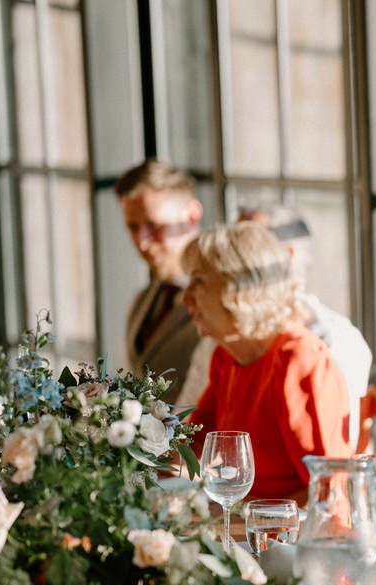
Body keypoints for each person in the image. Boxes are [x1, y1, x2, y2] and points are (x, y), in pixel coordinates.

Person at [184, 222, 352, 502]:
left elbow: (329, 492)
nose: (185, 297)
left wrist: (240, 525)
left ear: (240, 289)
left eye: (198, 282)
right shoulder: (226, 357)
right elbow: (192, 449)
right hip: (240, 528)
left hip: (286, 537)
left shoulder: (298, 361)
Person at [115, 159, 204, 404]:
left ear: (192, 215)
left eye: (154, 225)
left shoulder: (221, 300)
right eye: (133, 227)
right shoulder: (142, 300)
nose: (143, 242)